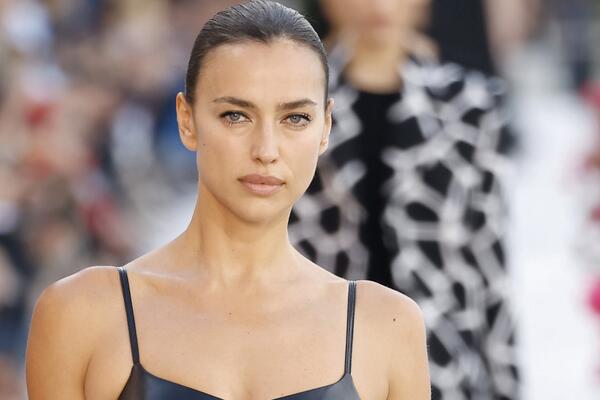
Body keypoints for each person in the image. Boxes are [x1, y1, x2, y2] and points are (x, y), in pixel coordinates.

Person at [25, 1, 430, 399]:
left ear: (325, 128)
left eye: (295, 118)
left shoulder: (387, 326)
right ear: (187, 120)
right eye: (236, 115)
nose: (266, 150)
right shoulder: (84, 313)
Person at [289, 0, 519, 399]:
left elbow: (488, 256)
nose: (379, 5)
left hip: (441, 359)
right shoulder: (294, 104)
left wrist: (505, 385)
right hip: (320, 358)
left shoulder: (469, 104)